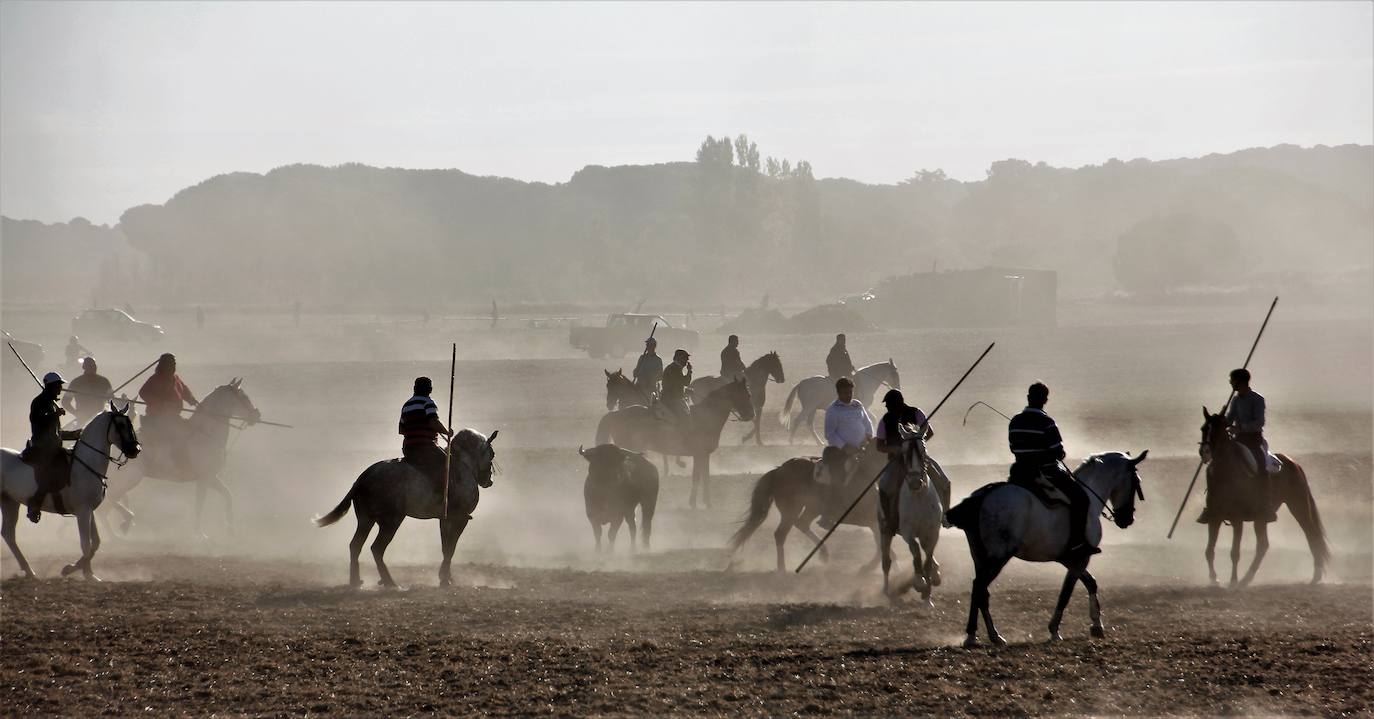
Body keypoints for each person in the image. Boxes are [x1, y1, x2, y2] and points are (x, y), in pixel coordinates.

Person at [1008, 382, 1096, 559]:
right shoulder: (1047, 422)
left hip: (1019, 472)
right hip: (1046, 472)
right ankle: (1077, 544)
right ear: (1045, 400)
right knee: (1081, 499)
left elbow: (1013, 448)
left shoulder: (1015, 421)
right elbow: (1058, 451)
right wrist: (1057, 453)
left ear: (1028, 398)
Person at [874, 388, 938, 532]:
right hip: (897, 461)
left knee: (943, 480)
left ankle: (944, 515)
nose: (887, 407)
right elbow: (879, 445)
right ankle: (888, 520)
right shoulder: (886, 419)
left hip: (919, 458)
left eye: (889, 404)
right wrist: (895, 449)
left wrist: (917, 444)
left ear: (898, 403)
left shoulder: (916, 412)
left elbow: (930, 432)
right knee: (884, 486)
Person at [26, 372, 81, 523]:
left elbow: (57, 433)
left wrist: (74, 434)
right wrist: (54, 415)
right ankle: (34, 504)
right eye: (58, 385)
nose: (61, 389)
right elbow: (36, 420)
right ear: (51, 386)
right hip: (42, 447)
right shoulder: (38, 402)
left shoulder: (52, 403)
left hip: (53, 445)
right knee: (51, 472)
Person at [818, 377, 874, 527]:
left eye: (850, 392)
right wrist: (845, 446)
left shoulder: (858, 405)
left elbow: (868, 424)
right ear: (838, 393)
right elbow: (829, 434)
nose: (848, 395)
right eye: (844, 393)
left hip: (862, 448)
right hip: (840, 452)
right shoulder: (833, 409)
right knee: (838, 475)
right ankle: (829, 512)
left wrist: (868, 438)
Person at [1225, 368, 1275, 521]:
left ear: (1240, 381)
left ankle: (1266, 505)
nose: (1230, 383)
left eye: (1232, 380)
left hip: (1253, 440)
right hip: (1238, 440)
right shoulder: (1235, 400)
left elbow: (1259, 422)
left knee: (1260, 467)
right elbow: (1229, 418)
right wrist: (1220, 421)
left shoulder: (1257, 399)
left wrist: (1240, 427)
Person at [138, 353, 199, 469]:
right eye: (171, 363)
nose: (174, 365)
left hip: (173, 417)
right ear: (165, 364)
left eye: (174, 363)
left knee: (191, 431)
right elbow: (143, 392)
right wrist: (160, 404)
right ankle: (181, 465)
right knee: (179, 435)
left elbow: (183, 390)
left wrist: (191, 399)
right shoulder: (156, 378)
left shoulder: (175, 378)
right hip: (158, 418)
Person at [399, 377, 453, 493]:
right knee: (449, 463)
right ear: (430, 389)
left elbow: (401, 429)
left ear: (414, 388)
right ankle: (441, 493)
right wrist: (447, 432)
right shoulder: (428, 403)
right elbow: (434, 422)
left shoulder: (406, 405)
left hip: (408, 449)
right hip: (426, 447)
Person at [62, 357, 114, 427]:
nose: (93, 368)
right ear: (84, 367)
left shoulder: (104, 382)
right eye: (90, 366)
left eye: (94, 366)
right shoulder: (76, 383)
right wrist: (76, 413)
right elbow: (65, 401)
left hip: (101, 419)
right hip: (83, 420)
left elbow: (112, 400)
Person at [659, 349, 693, 419]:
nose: (687, 362)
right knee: (686, 417)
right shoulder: (675, 369)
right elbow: (685, 382)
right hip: (673, 400)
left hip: (669, 398)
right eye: (685, 359)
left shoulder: (673, 368)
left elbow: (677, 384)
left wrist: (685, 390)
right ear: (680, 358)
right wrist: (689, 371)